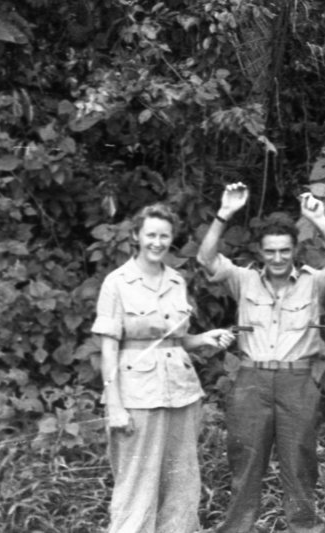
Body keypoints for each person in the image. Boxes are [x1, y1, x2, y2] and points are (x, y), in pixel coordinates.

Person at [197, 183, 325, 533]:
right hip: (251, 381)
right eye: (271, 252)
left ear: (295, 250)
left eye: (285, 251)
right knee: (245, 464)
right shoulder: (244, 280)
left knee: (300, 465)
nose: (278, 259)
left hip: (297, 382)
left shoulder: (313, 283)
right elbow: (206, 260)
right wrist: (224, 213)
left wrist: (321, 220)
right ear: (261, 252)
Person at [94, 203, 235, 533]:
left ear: (172, 239)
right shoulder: (117, 283)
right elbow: (109, 348)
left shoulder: (176, 281)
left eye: (164, 236)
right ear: (136, 236)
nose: (157, 242)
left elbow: (174, 341)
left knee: (181, 481)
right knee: (136, 486)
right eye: (150, 235)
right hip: (137, 398)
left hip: (181, 395)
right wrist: (114, 406)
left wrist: (203, 339)